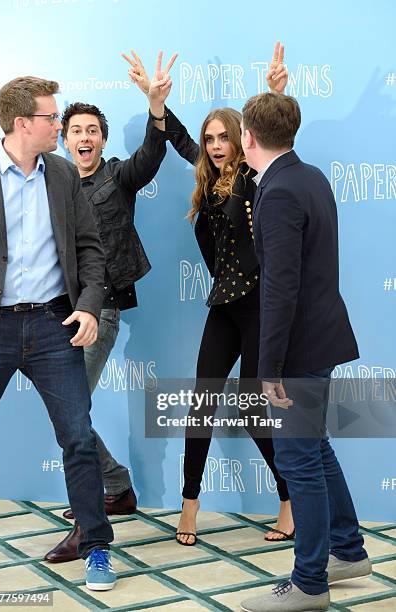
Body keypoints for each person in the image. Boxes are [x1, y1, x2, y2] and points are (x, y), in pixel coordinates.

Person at [123, 43, 295, 546]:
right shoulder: (209, 180)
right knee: (202, 400)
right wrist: (155, 104)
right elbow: (175, 137)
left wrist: (273, 94)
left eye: (225, 137)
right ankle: (190, 505)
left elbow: (271, 140)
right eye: (210, 139)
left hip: (261, 304)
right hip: (224, 305)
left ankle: (288, 500)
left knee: (251, 405)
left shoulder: (253, 178)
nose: (216, 145)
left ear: (242, 141)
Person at [239, 92, 371, 611]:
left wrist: (269, 365)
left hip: (298, 348)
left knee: (299, 458)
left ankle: (310, 582)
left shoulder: (279, 193)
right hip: (320, 338)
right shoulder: (306, 176)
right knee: (314, 448)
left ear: (248, 137)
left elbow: (280, 287)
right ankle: (349, 550)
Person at [44, 53, 179, 563]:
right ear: (63, 137)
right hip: (55, 312)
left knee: (71, 406)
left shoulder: (119, 177)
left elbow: (151, 154)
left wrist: (156, 107)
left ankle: (92, 508)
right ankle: (115, 486)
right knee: (68, 407)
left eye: (93, 130)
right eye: (75, 128)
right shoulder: (52, 184)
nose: (84, 137)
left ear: (102, 140)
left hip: (100, 310)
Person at [0, 76, 116, 591]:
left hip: (52, 322)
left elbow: (91, 250)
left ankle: (96, 549)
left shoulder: (61, 175)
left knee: (79, 438)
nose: (58, 126)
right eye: (51, 118)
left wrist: (87, 307)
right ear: (23, 124)